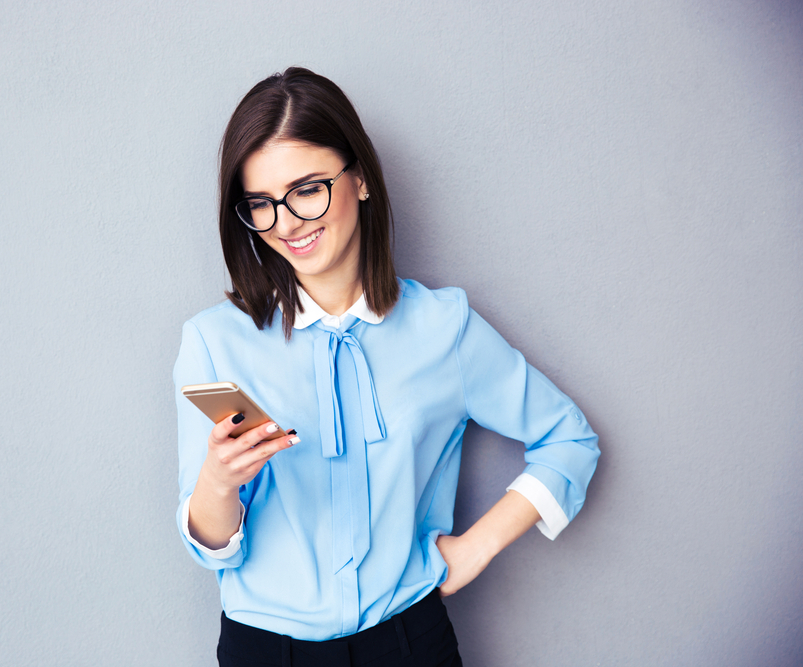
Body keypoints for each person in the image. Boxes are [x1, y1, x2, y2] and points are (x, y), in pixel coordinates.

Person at [174, 67, 599, 667]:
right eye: (261, 204)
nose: (288, 222)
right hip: (263, 652)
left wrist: (475, 549)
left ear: (362, 180)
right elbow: (213, 550)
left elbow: (569, 439)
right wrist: (218, 482)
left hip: (408, 644)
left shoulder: (443, 328)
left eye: (307, 189)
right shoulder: (213, 344)